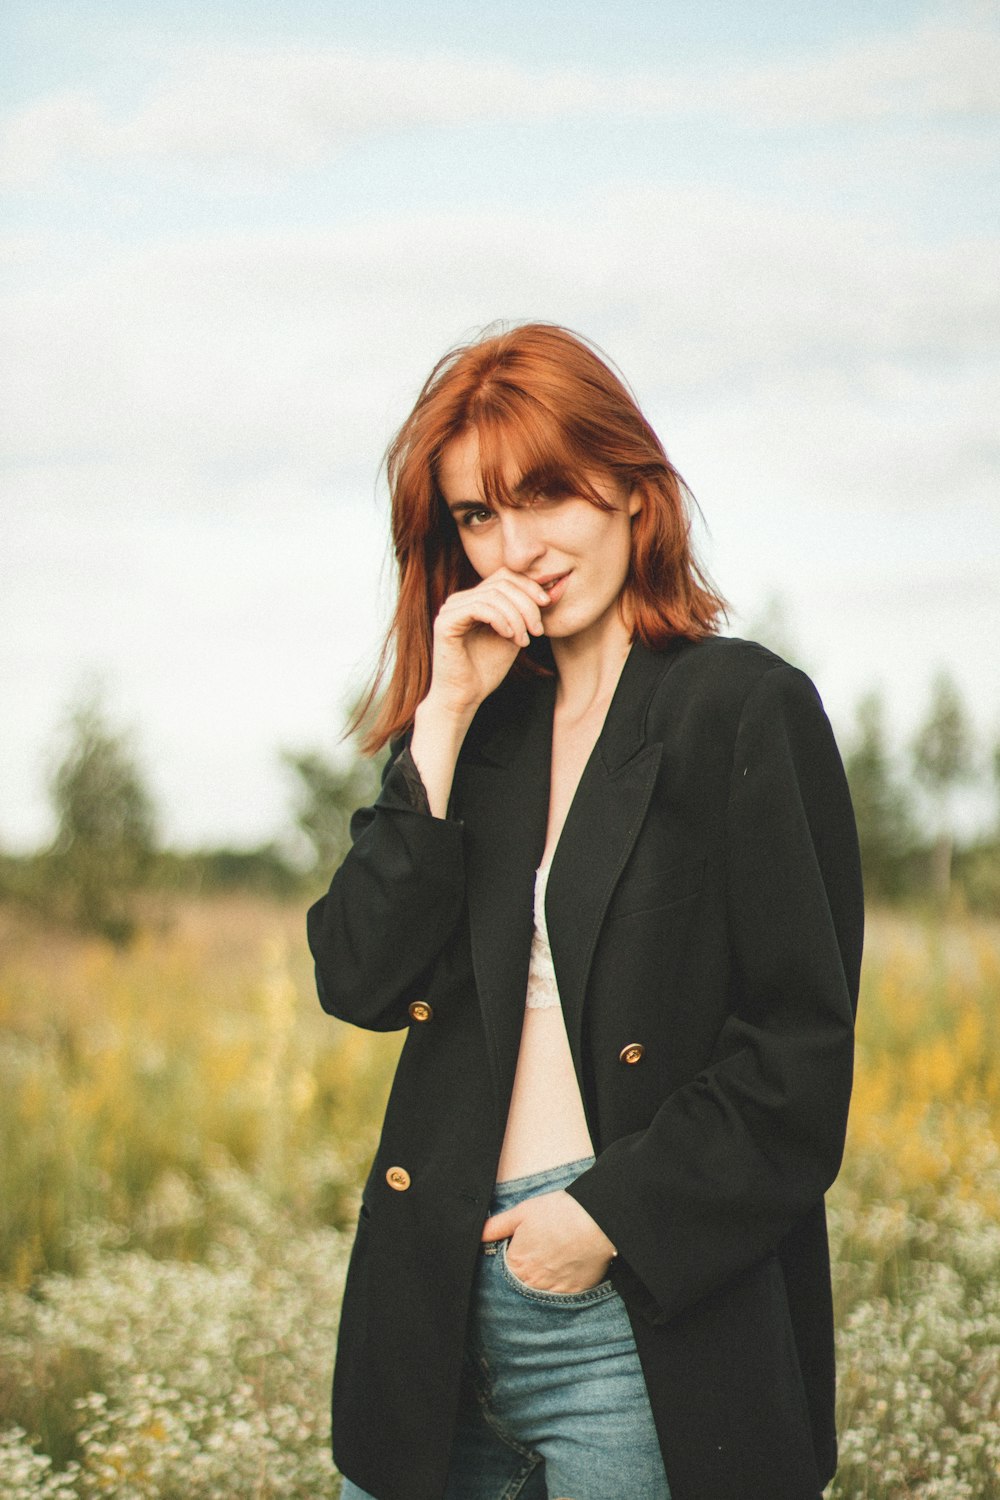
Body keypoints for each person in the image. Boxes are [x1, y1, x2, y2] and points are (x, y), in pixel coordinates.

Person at [306, 322, 864, 1500]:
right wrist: (443, 719)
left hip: (639, 1314)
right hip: (432, 1323)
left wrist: (603, 1218)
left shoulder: (742, 710)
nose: (518, 547)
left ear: (627, 488)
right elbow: (357, 979)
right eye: (475, 517)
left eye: (546, 494)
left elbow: (797, 1059)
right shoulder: (484, 737)